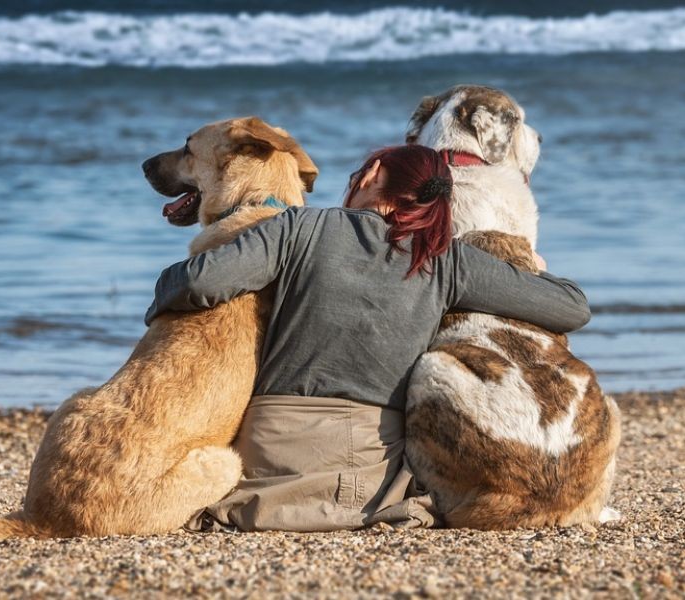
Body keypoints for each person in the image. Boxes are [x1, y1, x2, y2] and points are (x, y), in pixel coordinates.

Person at [145, 144, 590, 532]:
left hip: (268, 455)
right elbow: (572, 307)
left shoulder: (299, 227)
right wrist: (529, 264)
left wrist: (158, 301)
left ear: (374, 176)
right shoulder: (448, 261)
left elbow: (199, 283)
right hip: (367, 478)